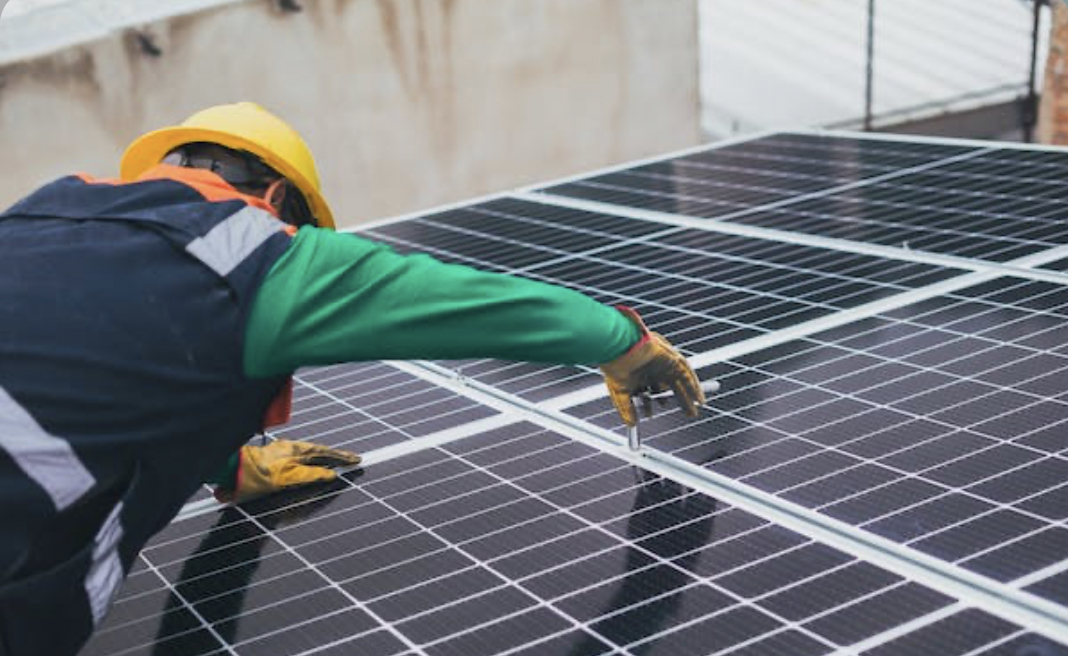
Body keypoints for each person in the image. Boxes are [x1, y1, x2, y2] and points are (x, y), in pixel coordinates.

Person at [0, 102, 704, 655]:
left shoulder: (40, 212)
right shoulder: (256, 253)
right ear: (278, 196)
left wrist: (230, 466)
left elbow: (103, 361)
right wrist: (624, 341)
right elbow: (465, 300)